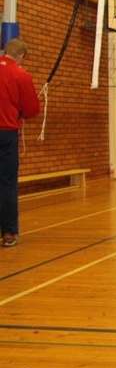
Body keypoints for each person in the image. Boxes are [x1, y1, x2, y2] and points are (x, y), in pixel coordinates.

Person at [0, 38, 40, 248]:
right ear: (21, 55)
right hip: (7, 133)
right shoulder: (21, 75)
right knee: (7, 183)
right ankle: (9, 232)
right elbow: (32, 109)